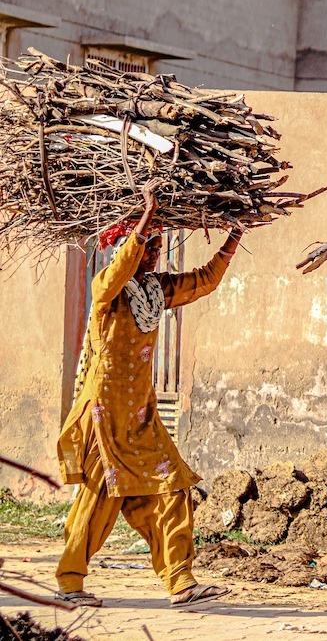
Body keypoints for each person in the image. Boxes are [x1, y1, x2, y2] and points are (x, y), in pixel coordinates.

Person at [55, 179, 245, 608]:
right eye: (147, 246)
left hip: (139, 417)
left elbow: (205, 280)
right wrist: (146, 214)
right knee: (98, 499)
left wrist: (235, 236)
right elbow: (121, 266)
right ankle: (69, 584)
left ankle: (181, 583)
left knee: (173, 487)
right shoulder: (108, 289)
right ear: (128, 248)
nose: (154, 252)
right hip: (102, 416)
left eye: (158, 245)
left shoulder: (155, 292)